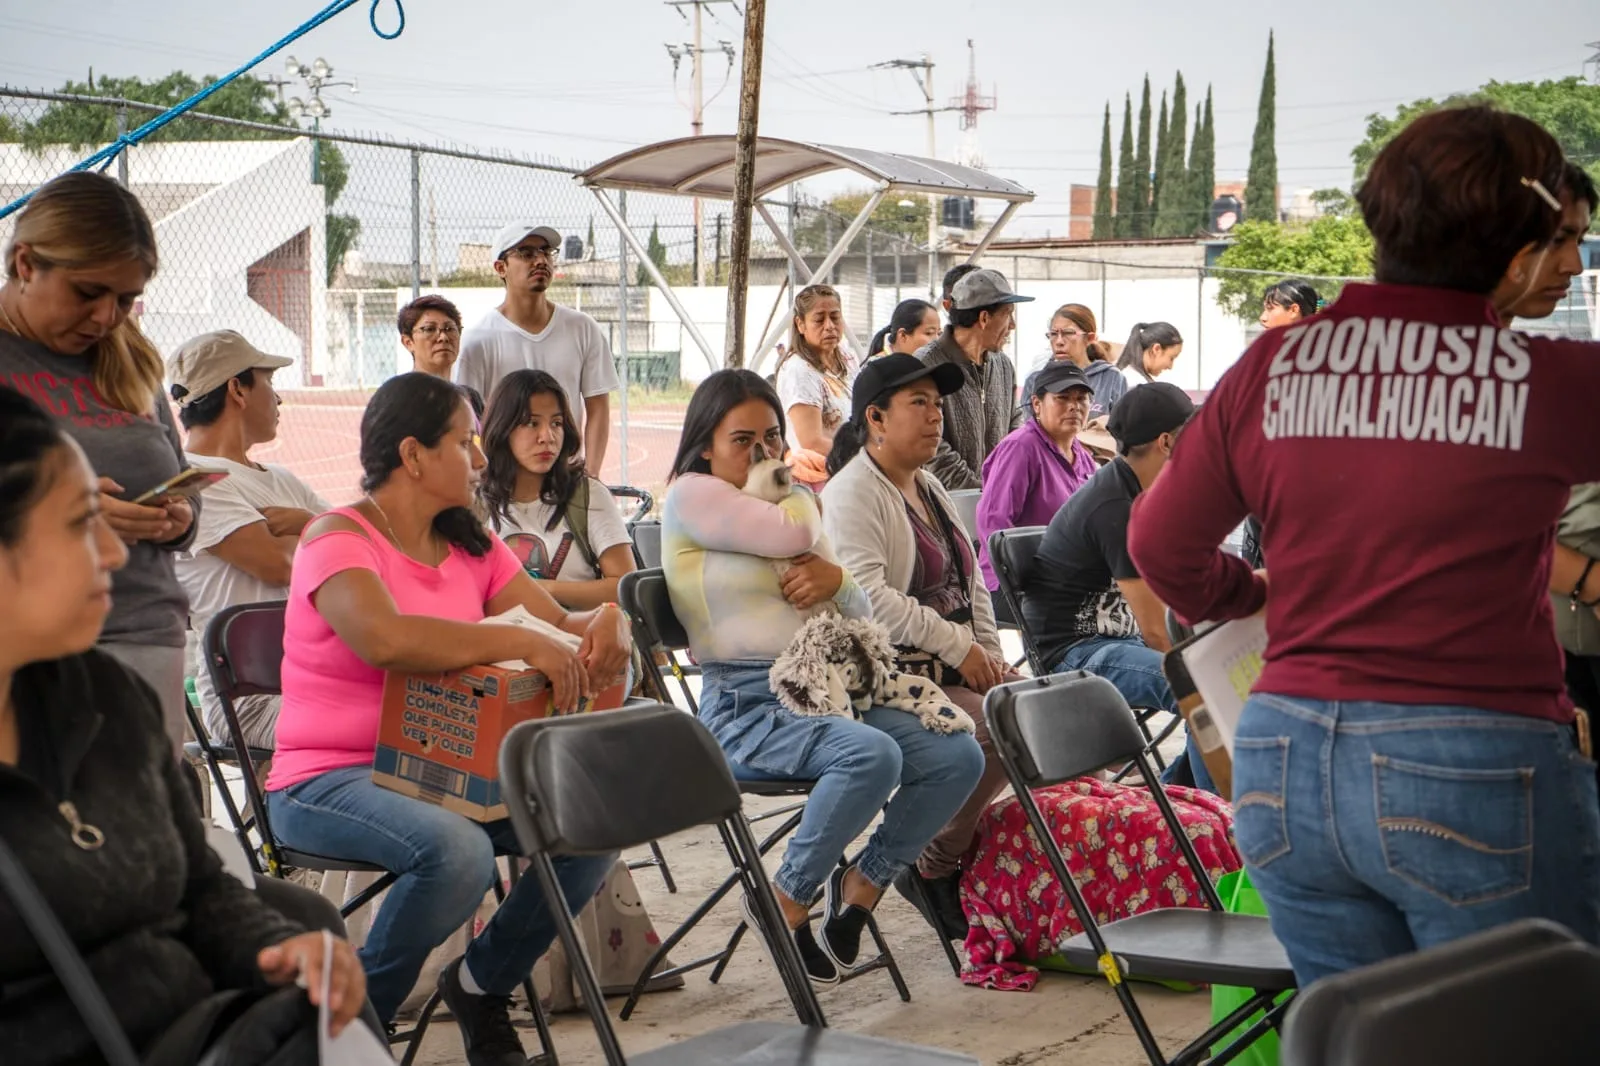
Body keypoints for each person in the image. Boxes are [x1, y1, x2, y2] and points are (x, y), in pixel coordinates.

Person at [1127, 108, 1600, 985]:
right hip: (1473, 763)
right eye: (1558, 239)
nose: (1567, 261)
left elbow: (1159, 543)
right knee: (1532, 1038)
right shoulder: (1545, 380)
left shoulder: (1274, 365)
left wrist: (1250, 594)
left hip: (1283, 760)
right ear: (1513, 247)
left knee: (1369, 1039)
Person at [263, 373, 631, 1061]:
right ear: (412, 456)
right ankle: (350, 1030)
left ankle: (481, 985)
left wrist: (607, 619)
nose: (482, 459)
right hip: (328, 779)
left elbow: (557, 621)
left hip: (448, 770)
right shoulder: (335, 538)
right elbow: (389, 641)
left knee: (591, 822)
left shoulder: (469, 542)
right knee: (456, 852)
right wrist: (521, 640)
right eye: (465, 443)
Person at [0, 387, 370, 1061]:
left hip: (206, 1029)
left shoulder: (107, 698)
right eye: (80, 525)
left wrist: (274, 948)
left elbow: (198, 882)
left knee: (325, 987)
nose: (113, 554)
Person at [662, 369, 984, 983]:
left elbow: (859, 604)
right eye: (743, 441)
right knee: (872, 756)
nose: (763, 455)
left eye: (773, 438)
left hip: (826, 690)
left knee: (956, 752)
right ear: (705, 443)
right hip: (747, 706)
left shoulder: (784, 501)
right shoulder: (693, 495)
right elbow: (799, 531)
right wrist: (795, 489)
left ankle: (864, 882)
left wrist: (834, 581)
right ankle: (786, 894)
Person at [821, 354, 1021, 941]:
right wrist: (962, 650)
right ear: (875, 419)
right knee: (997, 727)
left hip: (946, 672)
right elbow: (867, 598)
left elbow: (970, 585)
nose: (936, 416)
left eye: (937, 404)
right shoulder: (853, 491)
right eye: (920, 404)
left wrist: (989, 652)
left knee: (1033, 710)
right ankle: (931, 866)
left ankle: (956, 862)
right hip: (887, 678)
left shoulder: (928, 485)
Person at [0, 171, 196, 750]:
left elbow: (181, 478)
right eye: (88, 293)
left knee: (144, 828)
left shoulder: (131, 361)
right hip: (27, 646)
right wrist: (67, 517)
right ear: (26, 263)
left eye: (126, 299)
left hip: (145, 634)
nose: (107, 317)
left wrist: (180, 517)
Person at [1024, 383, 1214, 793]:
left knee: (1215, 677)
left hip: (1114, 639)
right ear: (1167, 442)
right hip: (1076, 650)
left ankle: (1177, 804)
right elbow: (1157, 630)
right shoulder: (1117, 507)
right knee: (1201, 690)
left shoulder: (1148, 493)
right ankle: (1216, 824)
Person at [169, 330, 329, 749]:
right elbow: (279, 563)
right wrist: (321, 532)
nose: (279, 399)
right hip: (253, 698)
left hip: (318, 677)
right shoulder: (194, 478)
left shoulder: (282, 480)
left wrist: (308, 522)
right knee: (390, 718)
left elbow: (364, 549)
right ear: (237, 389)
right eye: (270, 383)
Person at [455, 223, 618, 472]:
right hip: (503, 484)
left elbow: (598, 408)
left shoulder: (583, 328)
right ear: (501, 268)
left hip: (565, 477)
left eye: (546, 252)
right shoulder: (478, 340)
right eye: (526, 253)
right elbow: (470, 420)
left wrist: (591, 476)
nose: (540, 260)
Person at [478, 368, 635, 609]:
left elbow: (624, 586)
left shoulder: (587, 495)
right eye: (531, 423)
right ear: (503, 428)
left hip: (578, 643)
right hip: (502, 644)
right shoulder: (476, 501)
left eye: (556, 423)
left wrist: (541, 590)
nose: (547, 436)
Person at [976, 362, 1100, 591]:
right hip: (1016, 585)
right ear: (1036, 404)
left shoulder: (1082, 456)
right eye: (1062, 398)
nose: (1074, 406)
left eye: (1082, 399)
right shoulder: (1021, 447)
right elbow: (993, 520)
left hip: (1067, 579)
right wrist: (1023, 577)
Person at [915, 268, 1029, 491]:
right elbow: (931, 449)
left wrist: (1006, 483)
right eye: (1008, 314)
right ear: (984, 318)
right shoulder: (926, 365)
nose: (1012, 325)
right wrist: (980, 491)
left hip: (995, 499)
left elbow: (1015, 421)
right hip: (944, 504)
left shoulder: (1003, 365)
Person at [775, 284, 859, 489]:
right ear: (800, 324)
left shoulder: (847, 356)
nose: (829, 326)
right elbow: (812, 443)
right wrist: (868, 456)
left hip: (853, 468)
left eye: (835, 317)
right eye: (819, 319)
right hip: (821, 480)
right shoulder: (799, 371)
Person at [1020, 303, 1125, 419]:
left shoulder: (1111, 378)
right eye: (1053, 334)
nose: (1059, 341)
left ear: (1090, 338)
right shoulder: (1035, 380)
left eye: (1068, 333)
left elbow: (1122, 430)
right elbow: (1028, 429)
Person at [399, 293, 484, 417]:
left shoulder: (471, 399)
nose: (443, 337)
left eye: (450, 329)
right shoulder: (398, 397)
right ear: (408, 342)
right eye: (429, 329)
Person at [1114, 321, 1183, 391]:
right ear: (1156, 349)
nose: (1170, 367)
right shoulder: (1137, 385)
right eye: (1171, 358)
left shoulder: (1124, 377)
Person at [866, 298, 942, 360]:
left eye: (939, 333)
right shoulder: (877, 370)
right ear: (903, 335)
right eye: (929, 333)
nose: (937, 340)